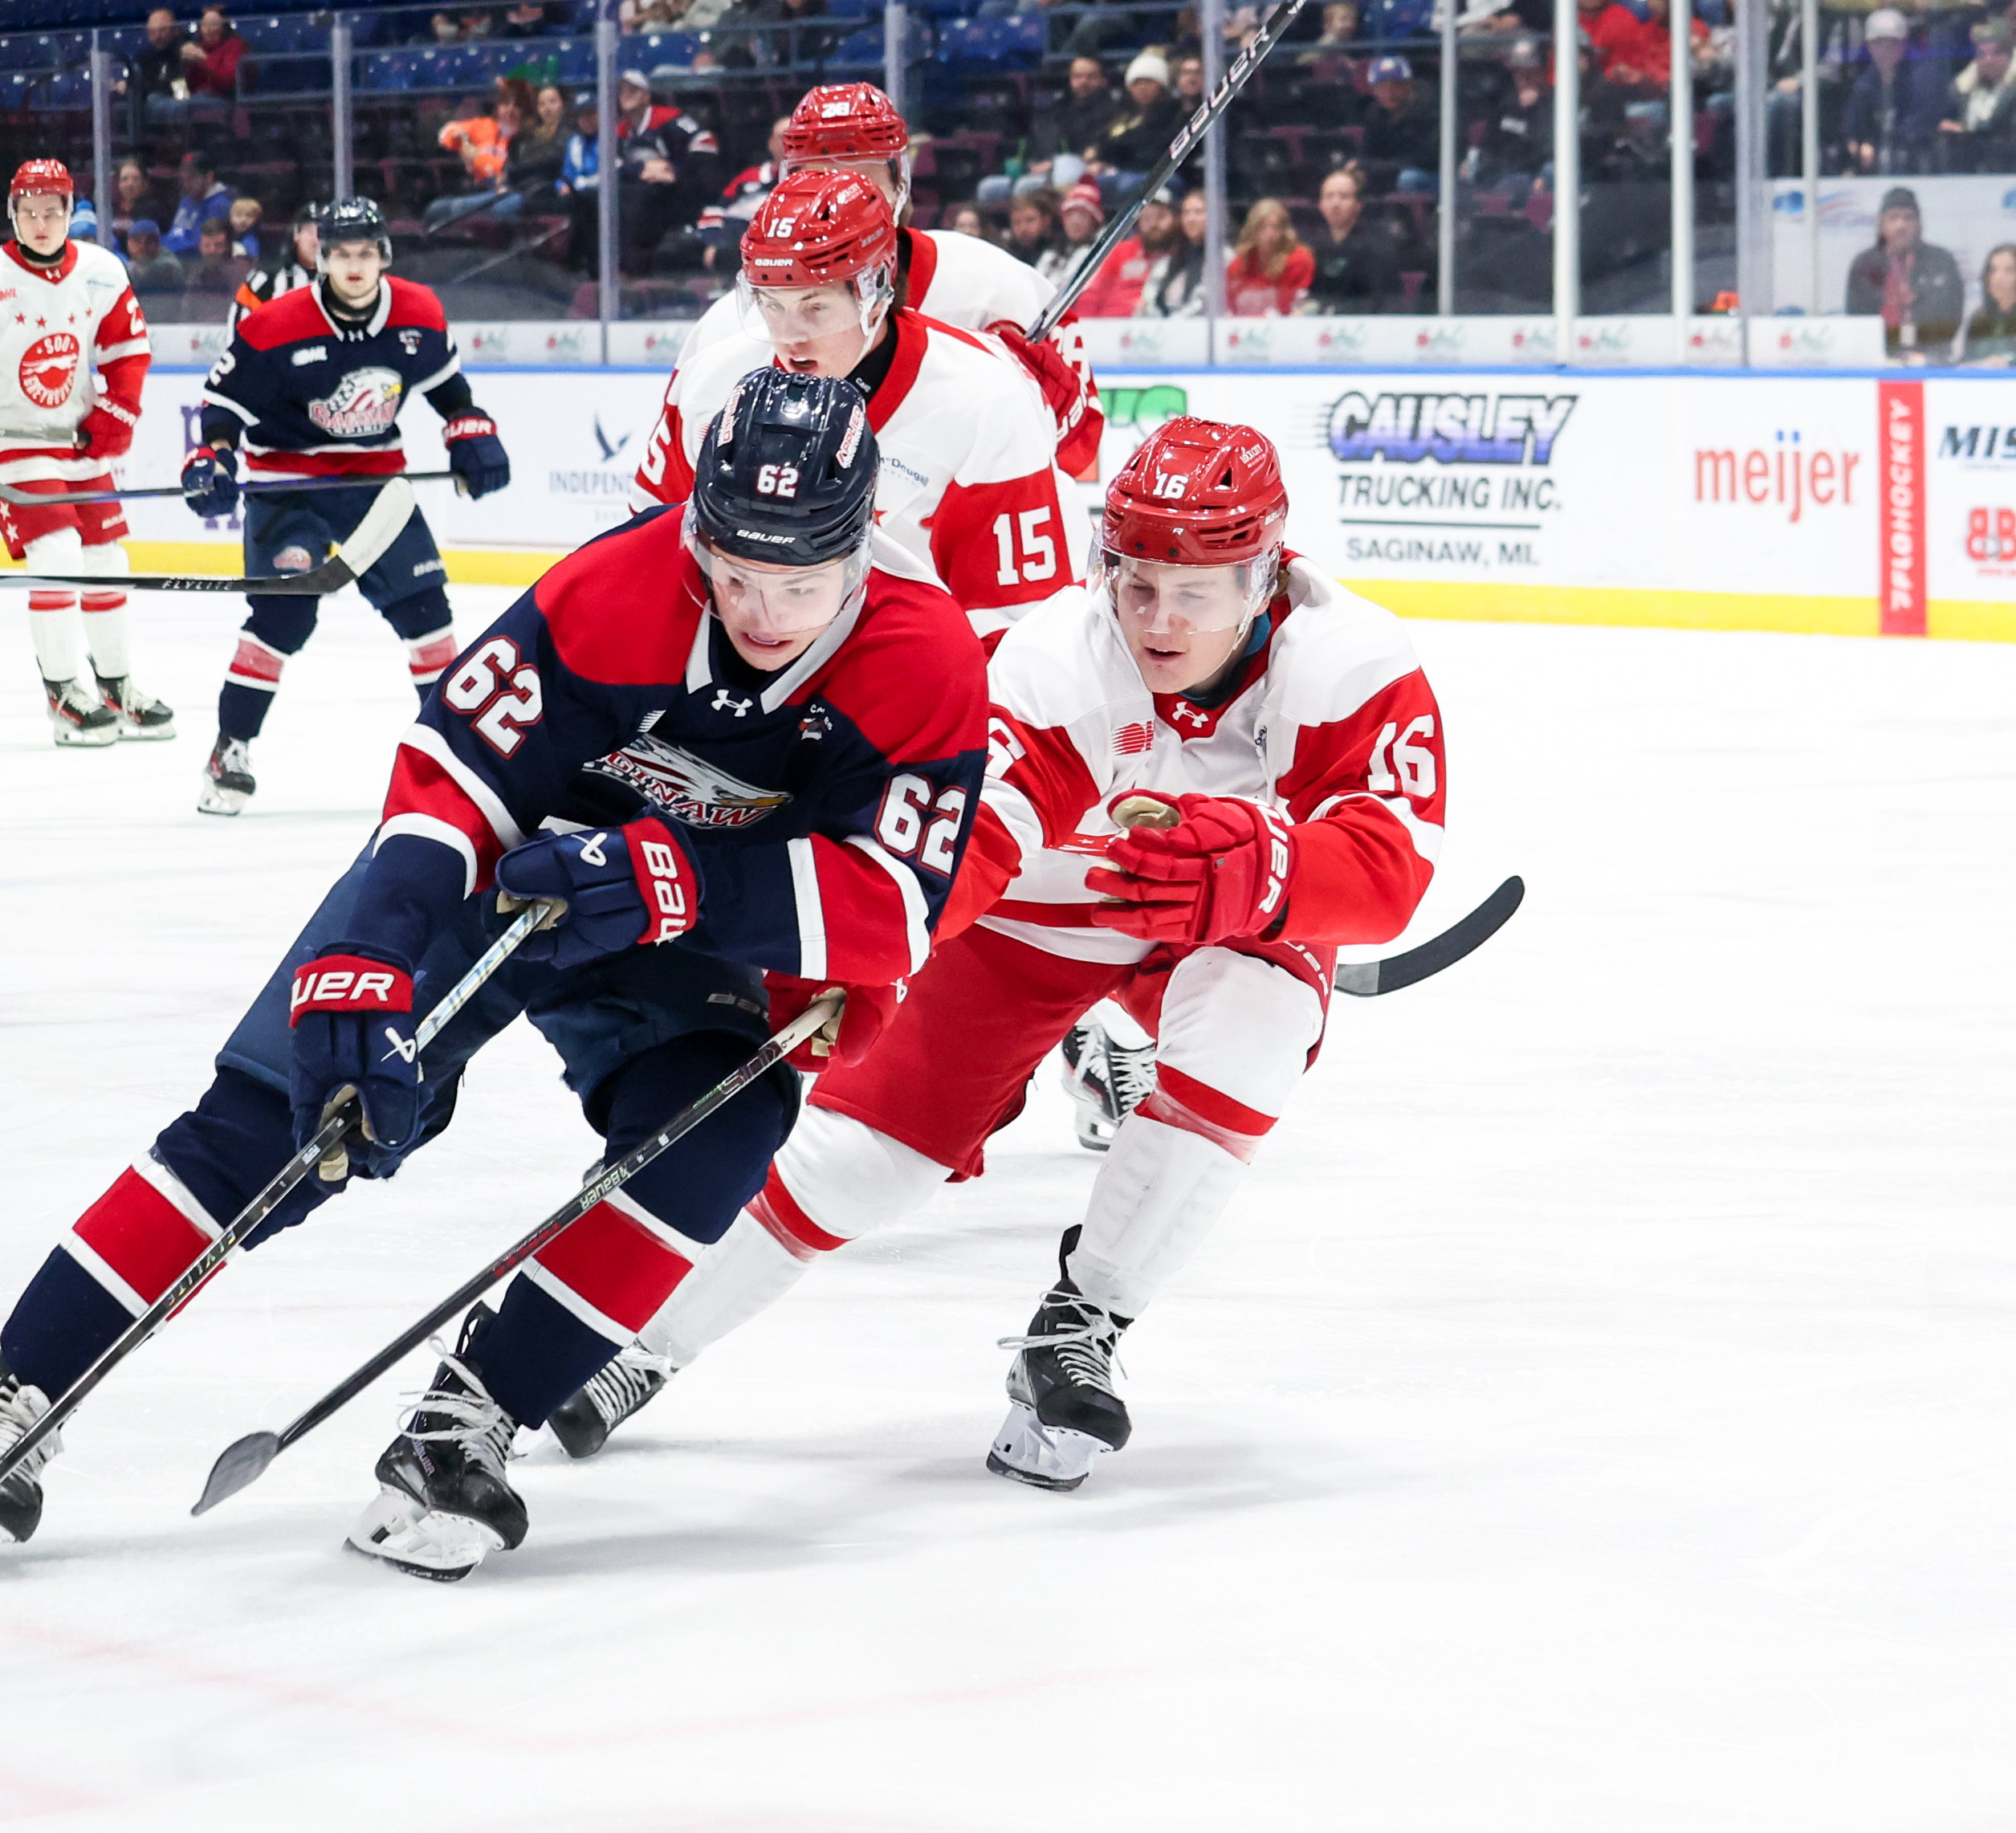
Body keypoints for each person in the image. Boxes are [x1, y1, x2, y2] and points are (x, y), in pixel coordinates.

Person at [0, 369, 992, 1577]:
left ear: (863, 541)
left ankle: (467, 1423)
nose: (761, 610)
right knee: (279, 1111)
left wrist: (679, 881)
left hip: (686, 927)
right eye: (734, 571)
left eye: (799, 582)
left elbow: (895, 904)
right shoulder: (617, 586)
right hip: (501, 877)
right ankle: (20, 1380)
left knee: (719, 1132)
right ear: (696, 522)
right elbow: (452, 775)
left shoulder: (923, 655)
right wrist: (369, 951)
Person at [542, 417, 1448, 1489]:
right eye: (1138, 584)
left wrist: (1271, 869)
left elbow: (1390, 865)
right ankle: (642, 1338)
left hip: (1229, 922)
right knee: (856, 1161)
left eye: (1195, 594)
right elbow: (971, 841)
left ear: (1263, 578)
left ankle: (1082, 1322)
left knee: (1253, 1031)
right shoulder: (1057, 660)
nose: (1159, 620)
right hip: (1038, 915)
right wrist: (867, 941)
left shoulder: (1351, 664)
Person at [632, 172, 1090, 644]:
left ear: (876, 292)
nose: (789, 338)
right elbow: (650, 555)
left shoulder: (984, 403)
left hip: (910, 669)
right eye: (772, 305)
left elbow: (1015, 631)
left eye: (815, 307)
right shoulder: (710, 384)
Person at [181, 198, 511, 816]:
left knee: (428, 618)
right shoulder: (277, 324)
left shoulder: (417, 312)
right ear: (321, 258)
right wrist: (214, 457)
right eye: (340, 254)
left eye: (365, 253)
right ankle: (230, 748)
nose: (354, 266)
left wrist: (470, 430)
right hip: (289, 484)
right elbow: (222, 408)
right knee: (283, 619)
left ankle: (456, 759)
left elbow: (450, 391)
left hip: (376, 486)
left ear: (383, 255)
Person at [674, 84, 1102, 478]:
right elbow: (667, 507)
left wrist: (1045, 412)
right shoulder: (723, 333)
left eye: (861, 177)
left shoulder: (996, 286)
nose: (837, 198)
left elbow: (1076, 456)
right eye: (816, 178)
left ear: (901, 181)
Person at [0, 161, 171, 747]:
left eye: (52, 212)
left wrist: (115, 416)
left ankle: (116, 685)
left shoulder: (100, 270)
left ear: (71, 213)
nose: (41, 223)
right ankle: (63, 693)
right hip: (12, 443)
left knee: (106, 560)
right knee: (56, 553)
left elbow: (127, 349)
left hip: (76, 441)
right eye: (29, 212)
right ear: (13, 214)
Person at [613, 68, 720, 267]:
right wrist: (641, 169)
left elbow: (705, 142)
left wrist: (676, 173)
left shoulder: (670, 119)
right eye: (622, 91)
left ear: (646, 96)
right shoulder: (621, 130)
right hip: (640, 189)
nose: (625, 96)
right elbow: (613, 163)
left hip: (676, 190)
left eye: (632, 91)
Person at [1844, 185, 1965, 360]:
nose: (1901, 225)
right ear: (1881, 224)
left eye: (1908, 218)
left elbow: (1952, 315)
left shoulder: (1941, 261)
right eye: (1893, 218)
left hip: (1932, 357)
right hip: (1878, 359)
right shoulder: (1864, 265)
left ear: (1919, 223)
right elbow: (1857, 321)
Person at [1843, 9, 1933, 176]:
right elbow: (1852, 131)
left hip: (1911, 164)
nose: (1886, 50)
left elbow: (1921, 127)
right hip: (1872, 168)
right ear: (1869, 46)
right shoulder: (1863, 86)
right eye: (1879, 43)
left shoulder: (1919, 82)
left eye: (1893, 43)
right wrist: (1860, 147)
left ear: (1903, 45)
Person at [697, 113, 790, 273]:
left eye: (795, 136)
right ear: (771, 143)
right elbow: (714, 211)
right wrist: (714, 241)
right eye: (783, 137)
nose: (789, 142)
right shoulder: (750, 177)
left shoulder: (815, 179)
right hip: (736, 245)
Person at [1086, 51, 1183, 202]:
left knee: (1126, 186)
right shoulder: (1123, 115)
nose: (1142, 88)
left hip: (1157, 173)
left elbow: (1153, 151)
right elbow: (1108, 143)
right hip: (1122, 172)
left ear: (1162, 86)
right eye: (1137, 83)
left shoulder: (1172, 113)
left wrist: (1122, 146)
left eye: (1149, 82)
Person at [1303, 165, 1401, 312]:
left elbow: (1381, 299)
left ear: (1358, 205)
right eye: (1329, 196)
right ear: (1320, 205)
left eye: (1344, 197)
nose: (1335, 204)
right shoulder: (1312, 244)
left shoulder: (1377, 244)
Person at [1074, 181, 1179, 316]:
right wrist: (1084, 322)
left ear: (1175, 218)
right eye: (1147, 218)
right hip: (1108, 323)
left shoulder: (1179, 253)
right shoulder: (1121, 250)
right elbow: (1094, 293)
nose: (1153, 224)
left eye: (1160, 217)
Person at [228, 199, 320, 328]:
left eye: (323, 233)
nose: (316, 241)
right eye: (309, 232)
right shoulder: (264, 281)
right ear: (296, 234)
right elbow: (240, 332)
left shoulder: (344, 282)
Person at [1936, 20, 2016, 167]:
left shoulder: (2012, 92)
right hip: (1970, 172)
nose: (1988, 60)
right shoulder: (1963, 90)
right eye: (1982, 54)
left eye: (1996, 53)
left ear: (2010, 55)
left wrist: (1968, 135)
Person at [1361, 55, 1439, 191]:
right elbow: (1369, 152)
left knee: (1408, 179)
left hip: (1432, 174)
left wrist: (1391, 166)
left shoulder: (1430, 109)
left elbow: (1430, 155)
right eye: (1382, 86)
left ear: (1408, 85)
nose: (1389, 93)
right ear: (1374, 90)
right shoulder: (1374, 114)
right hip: (1391, 171)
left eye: (1396, 85)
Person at [1227, 196, 1313, 315]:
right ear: (1252, 230)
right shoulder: (1239, 264)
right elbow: (1230, 306)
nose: (1269, 234)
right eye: (1262, 227)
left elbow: (1290, 306)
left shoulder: (1299, 259)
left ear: (1285, 230)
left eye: (1276, 227)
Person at [1137, 185, 1208, 316]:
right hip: (1160, 325)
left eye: (1198, 212)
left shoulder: (1223, 258)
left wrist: (1172, 324)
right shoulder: (1171, 260)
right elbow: (1150, 297)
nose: (1191, 219)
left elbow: (1204, 301)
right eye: (1186, 213)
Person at [1038, 178, 1106, 291]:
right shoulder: (1052, 252)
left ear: (1094, 221)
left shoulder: (1103, 252)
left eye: (1082, 215)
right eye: (1070, 215)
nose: (1075, 222)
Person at [163, 151, 233, 257]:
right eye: (183, 178)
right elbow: (173, 234)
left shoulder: (220, 205)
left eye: (191, 177)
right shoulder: (186, 201)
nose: (186, 184)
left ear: (209, 177)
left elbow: (201, 247)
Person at [1961, 242, 2016, 363]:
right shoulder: (1979, 318)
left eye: (2009, 270)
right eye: (1993, 270)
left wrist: (2008, 362)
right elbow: (1966, 360)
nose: (1998, 278)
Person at [180, 6, 246, 99]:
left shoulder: (234, 45)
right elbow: (189, 85)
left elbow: (229, 82)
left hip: (223, 98)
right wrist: (187, 65)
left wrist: (203, 59)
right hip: (196, 97)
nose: (209, 29)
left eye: (214, 24)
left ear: (224, 27)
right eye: (205, 25)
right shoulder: (198, 46)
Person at [122, 218, 184, 293]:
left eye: (150, 241)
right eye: (137, 240)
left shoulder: (169, 267)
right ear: (128, 243)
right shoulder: (127, 268)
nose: (143, 246)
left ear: (158, 244)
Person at [1004, 187, 1061, 268]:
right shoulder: (1010, 256)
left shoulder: (1060, 251)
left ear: (1046, 220)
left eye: (1030, 220)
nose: (1023, 228)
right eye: (1017, 223)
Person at [228, 195, 263, 259]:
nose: (243, 220)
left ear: (256, 219)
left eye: (249, 216)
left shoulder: (251, 242)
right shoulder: (225, 235)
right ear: (231, 217)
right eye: (238, 215)